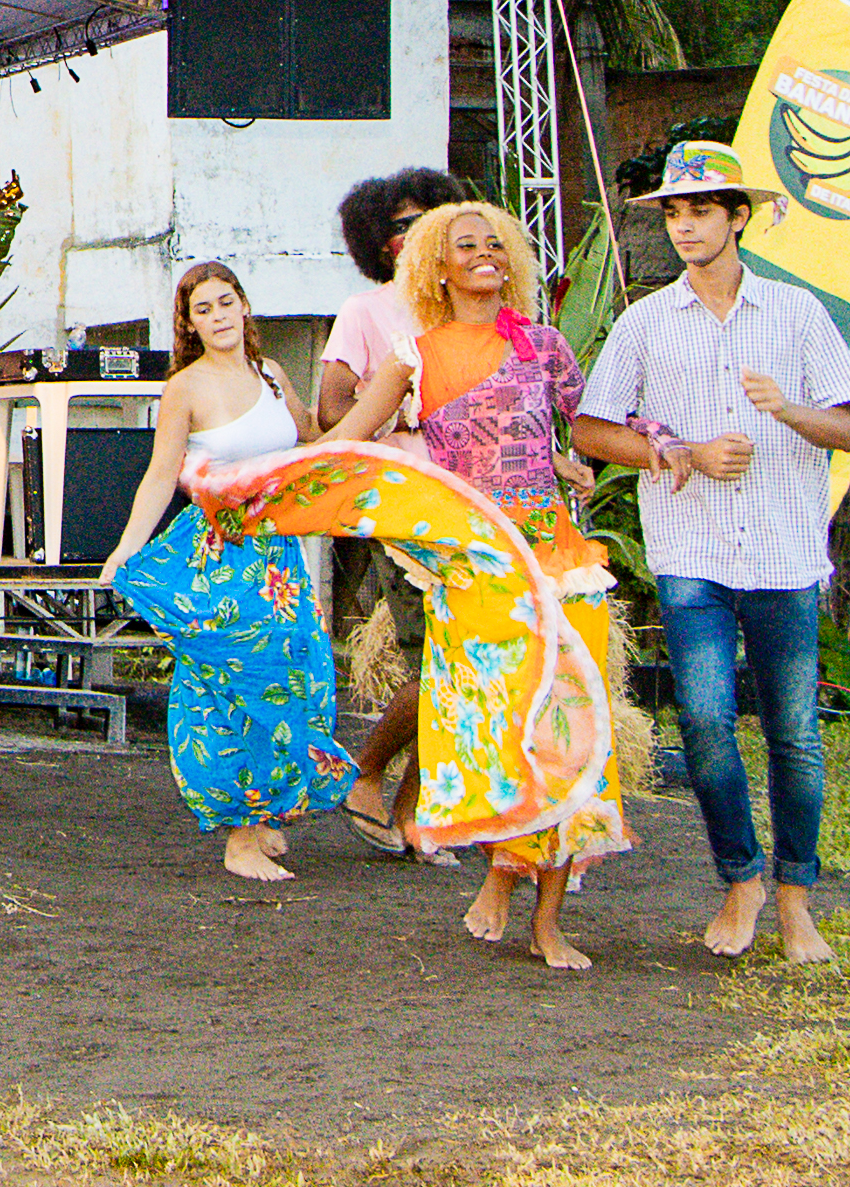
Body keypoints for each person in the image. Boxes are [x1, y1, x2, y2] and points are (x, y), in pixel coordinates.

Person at [573, 141, 850, 966]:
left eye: (701, 210)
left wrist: (788, 411)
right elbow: (593, 430)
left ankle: (798, 900)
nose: (685, 226)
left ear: (740, 217)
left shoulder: (798, 315)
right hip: (692, 548)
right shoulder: (643, 320)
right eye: (673, 212)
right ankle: (740, 880)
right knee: (703, 720)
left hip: (783, 551)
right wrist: (687, 452)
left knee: (794, 732)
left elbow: (848, 427)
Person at [98, 260, 405, 877]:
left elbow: (308, 447)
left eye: (226, 302)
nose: (218, 317)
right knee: (231, 683)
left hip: (279, 557)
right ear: (188, 323)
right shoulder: (185, 386)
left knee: (298, 674)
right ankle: (237, 834)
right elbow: (163, 473)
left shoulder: (271, 374)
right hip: (220, 552)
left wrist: (384, 415)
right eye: (202, 309)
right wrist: (126, 548)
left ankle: (266, 815)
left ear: (244, 306)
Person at [394, 199, 628, 969]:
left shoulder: (544, 345)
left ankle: (549, 919)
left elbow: (590, 425)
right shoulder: (417, 356)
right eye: (468, 245)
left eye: (496, 243)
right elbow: (350, 441)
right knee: (496, 741)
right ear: (439, 265)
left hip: (560, 566)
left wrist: (614, 456)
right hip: (481, 574)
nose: (487, 253)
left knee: (572, 738)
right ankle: (502, 866)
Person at [326, 167, 479, 853]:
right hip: (402, 503)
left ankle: (413, 809)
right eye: (399, 225)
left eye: (430, 222)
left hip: (476, 504)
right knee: (435, 661)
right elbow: (333, 409)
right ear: (377, 242)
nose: (415, 236)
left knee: (469, 661)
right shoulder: (367, 314)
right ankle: (366, 773)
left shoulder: (469, 308)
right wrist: (392, 423)